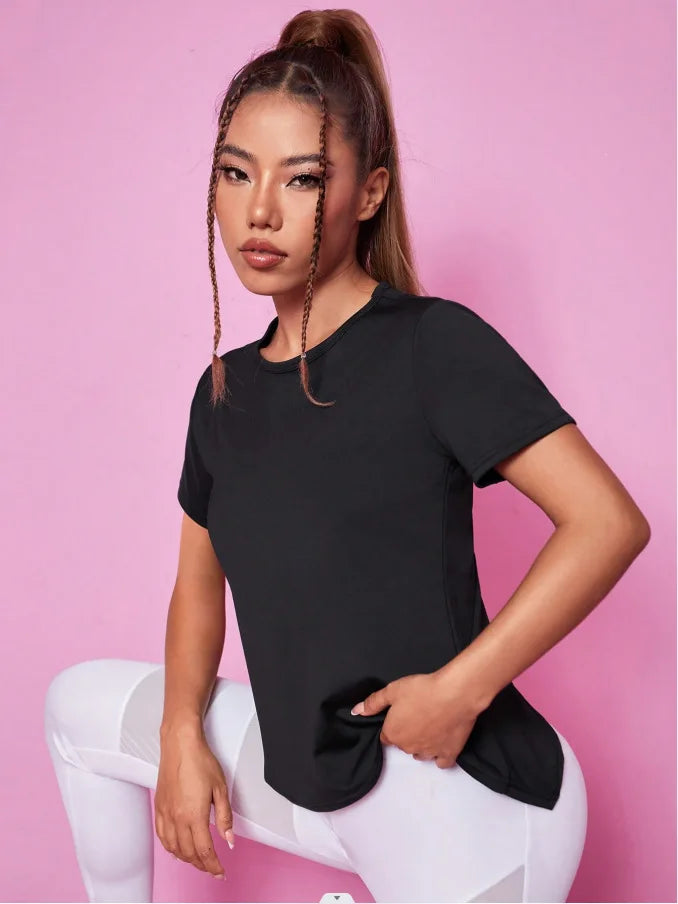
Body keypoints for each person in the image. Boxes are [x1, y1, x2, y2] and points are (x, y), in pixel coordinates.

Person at [44, 9, 651, 903]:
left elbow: (608, 523)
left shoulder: (430, 346)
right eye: (235, 173)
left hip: (459, 792)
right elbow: (197, 587)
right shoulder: (222, 393)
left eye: (302, 179)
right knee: (77, 706)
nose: (259, 210)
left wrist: (462, 690)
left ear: (368, 194)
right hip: (317, 780)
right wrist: (179, 734)